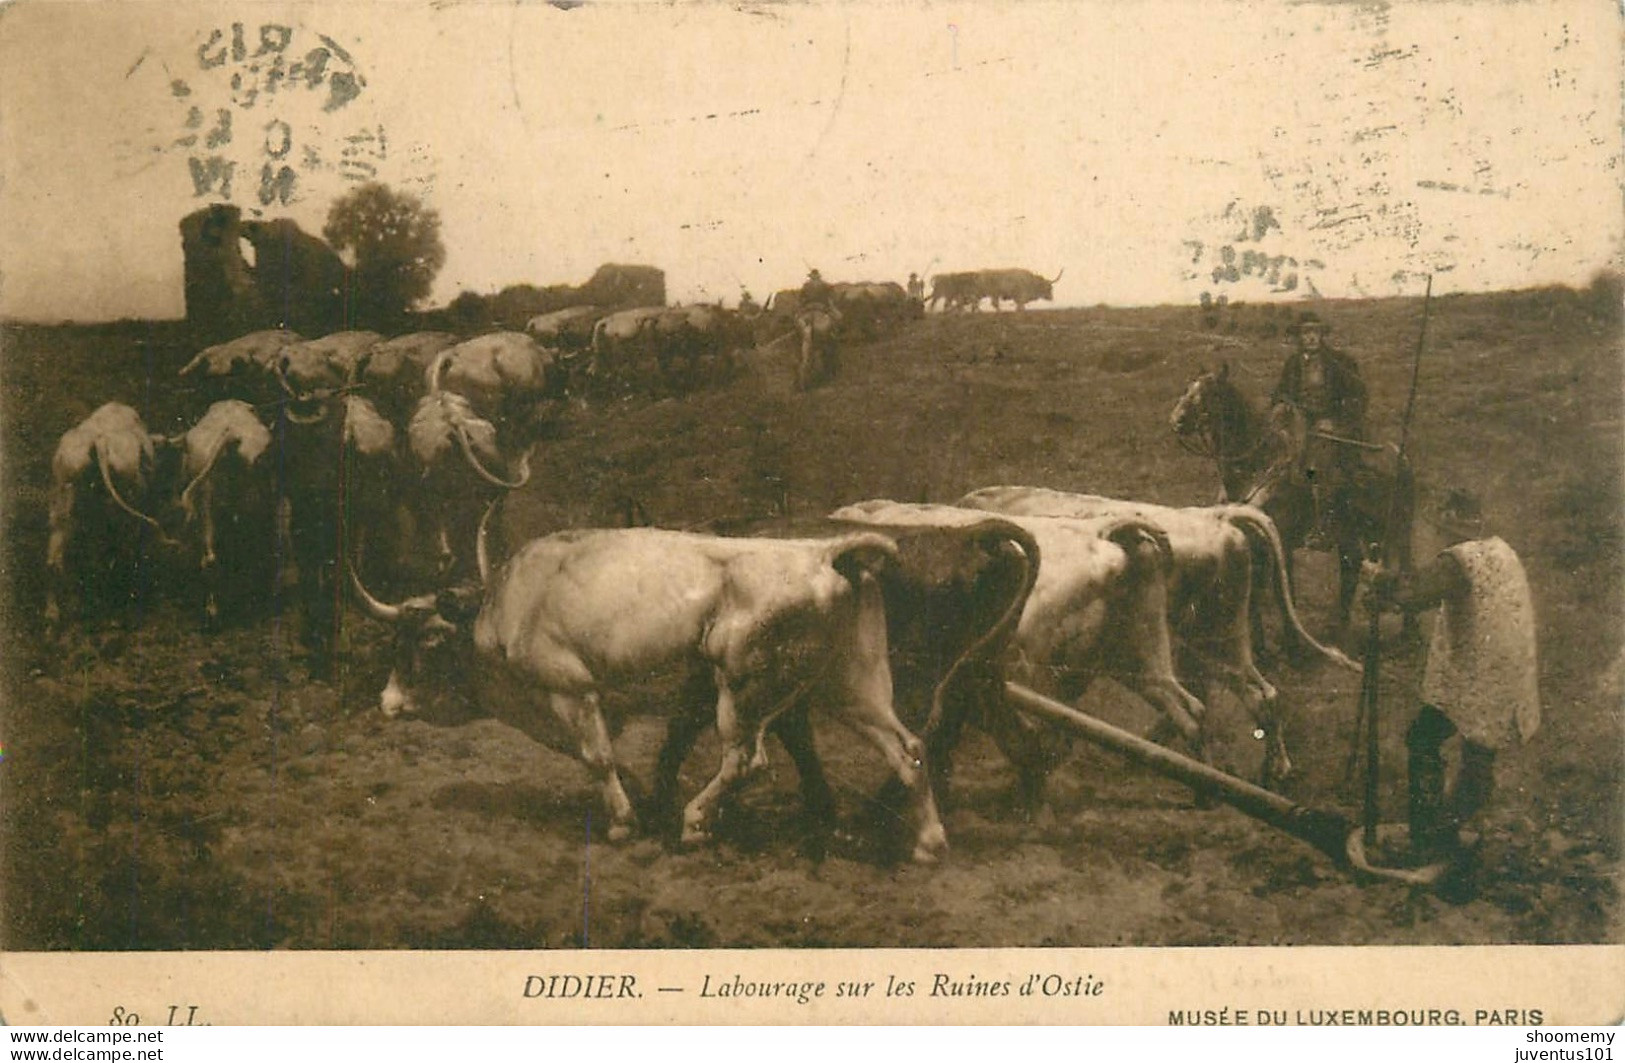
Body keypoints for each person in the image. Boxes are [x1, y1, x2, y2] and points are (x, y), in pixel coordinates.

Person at [1368, 489, 1541, 864]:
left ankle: (1430, 837)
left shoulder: (1460, 560)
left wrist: (1381, 582)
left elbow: (1414, 594)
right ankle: (1447, 829)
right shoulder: (1501, 551)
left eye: (1443, 528)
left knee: (1423, 737)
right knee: (1479, 752)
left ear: (1450, 528)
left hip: (1480, 674)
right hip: (1506, 671)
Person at [1270, 311, 1368, 547]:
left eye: (1315, 332)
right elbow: (1280, 393)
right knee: (1277, 458)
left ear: (1322, 335)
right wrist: (1282, 407)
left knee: (1317, 466)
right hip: (1298, 425)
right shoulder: (1293, 364)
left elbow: (1358, 395)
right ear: (1299, 337)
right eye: (1306, 332)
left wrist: (1335, 421)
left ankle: (1323, 523)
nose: (1311, 337)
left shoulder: (1339, 363)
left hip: (1328, 426)